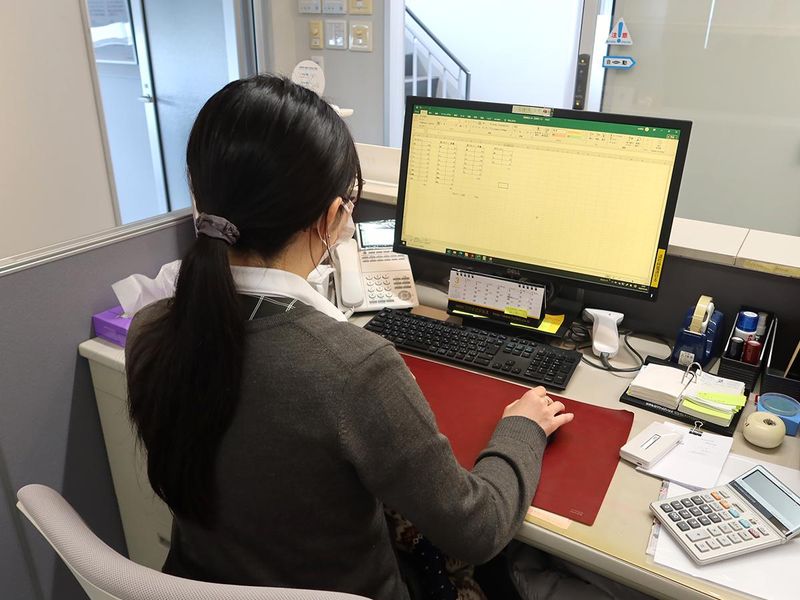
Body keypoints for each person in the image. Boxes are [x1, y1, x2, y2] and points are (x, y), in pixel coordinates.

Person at [125, 74, 573, 600]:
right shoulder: (355, 370)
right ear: (334, 217)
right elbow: (477, 529)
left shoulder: (150, 331)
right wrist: (522, 429)